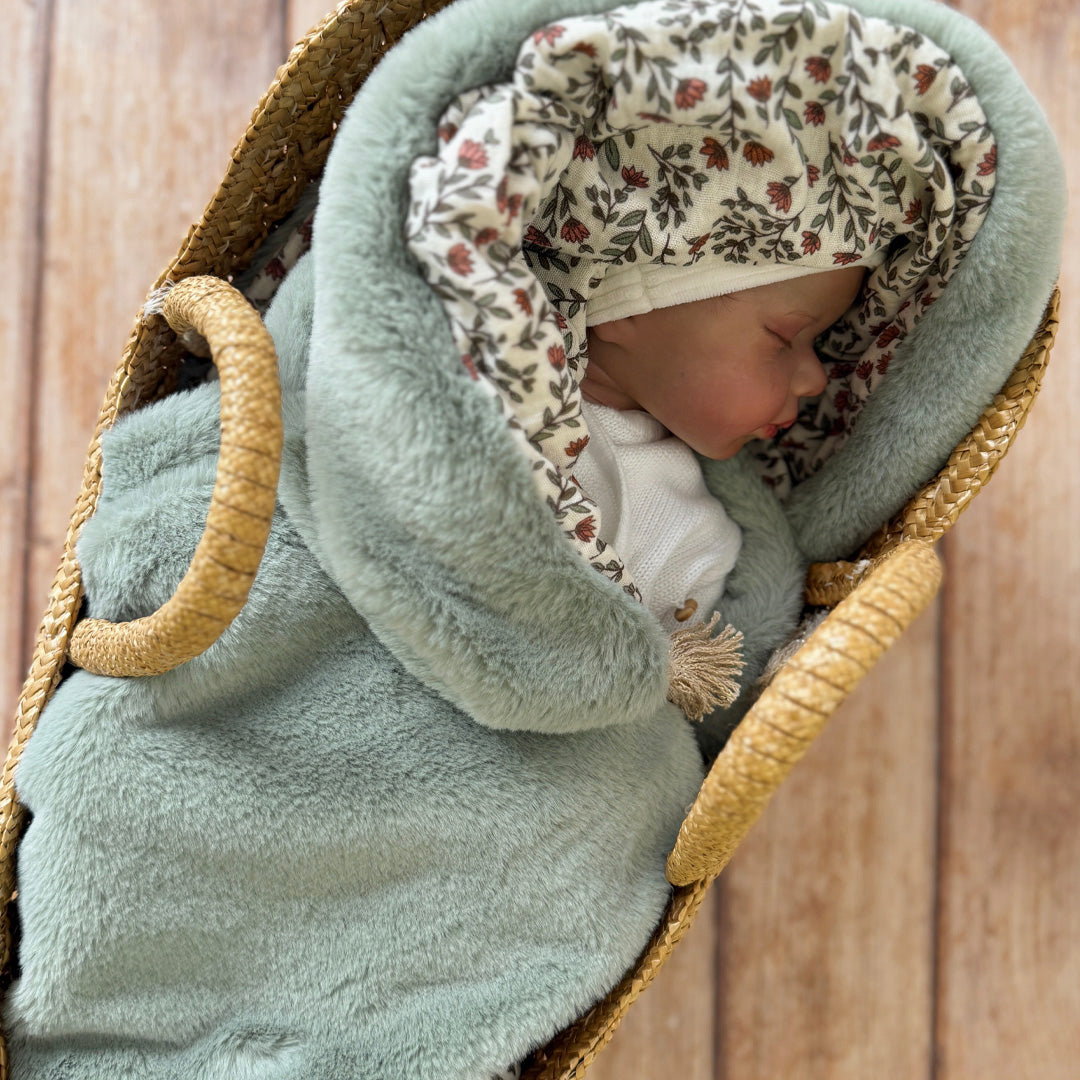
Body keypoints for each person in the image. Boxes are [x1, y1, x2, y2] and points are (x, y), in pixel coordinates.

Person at [570, 266, 866, 632]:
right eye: (784, 337)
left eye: (816, 343)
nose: (816, 379)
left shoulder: (699, 536)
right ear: (628, 307)